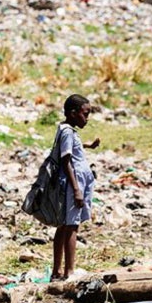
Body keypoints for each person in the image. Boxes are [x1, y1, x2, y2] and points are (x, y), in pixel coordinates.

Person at [52, 94, 100, 281]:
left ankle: (57, 271)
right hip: (73, 184)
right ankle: (68, 271)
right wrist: (77, 190)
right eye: (85, 114)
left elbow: (71, 149)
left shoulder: (68, 130)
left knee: (65, 225)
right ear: (73, 114)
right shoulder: (67, 132)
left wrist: (87, 145)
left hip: (76, 183)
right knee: (72, 226)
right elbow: (66, 161)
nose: (87, 119)